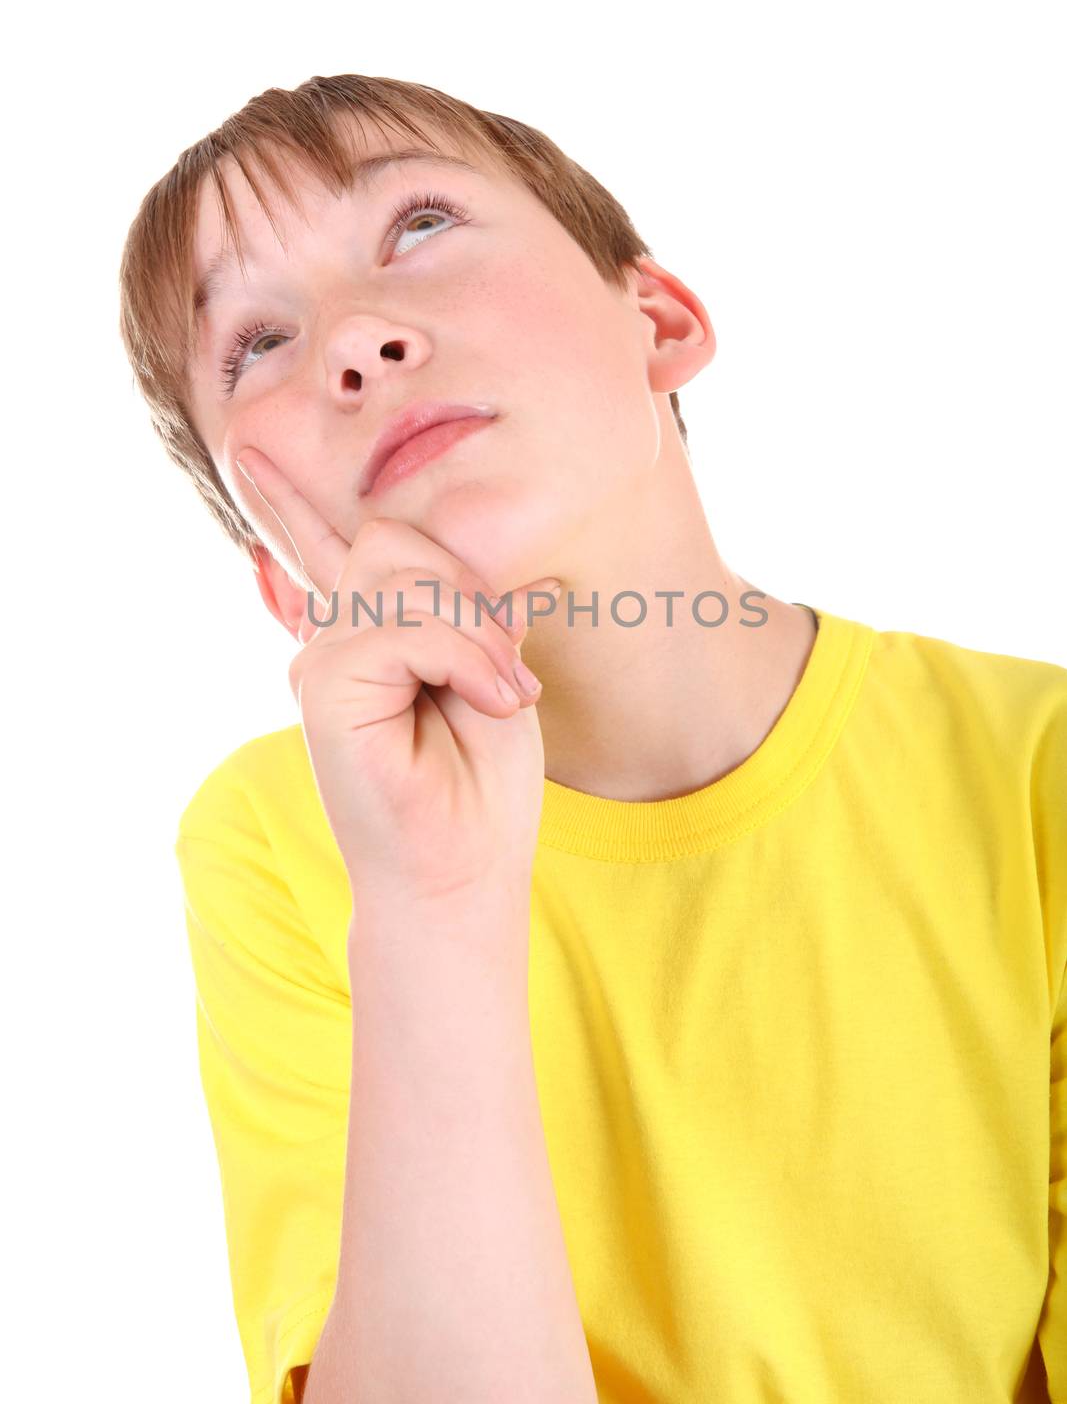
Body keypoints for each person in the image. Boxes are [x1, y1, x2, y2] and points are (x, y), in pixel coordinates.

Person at [118, 72, 1066, 1404]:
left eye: (417, 227)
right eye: (255, 346)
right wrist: (433, 906)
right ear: (288, 585)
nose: (354, 340)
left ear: (659, 319)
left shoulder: (1037, 772)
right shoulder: (278, 847)